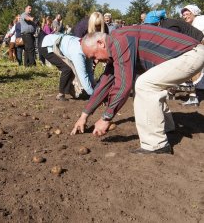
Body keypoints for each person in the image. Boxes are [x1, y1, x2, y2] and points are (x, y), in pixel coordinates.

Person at [71, 26, 204, 155]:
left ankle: (156, 144)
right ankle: (166, 127)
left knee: (143, 84)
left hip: (190, 55)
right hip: (188, 55)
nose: (97, 61)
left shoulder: (118, 41)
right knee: (147, 84)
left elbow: (123, 85)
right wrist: (84, 115)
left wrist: (106, 118)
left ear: (101, 43)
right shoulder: (115, 44)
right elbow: (104, 84)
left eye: (94, 56)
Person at [39, 33, 95, 101]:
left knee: (70, 69)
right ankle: (61, 94)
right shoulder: (77, 53)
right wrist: (94, 96)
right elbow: (83, 76)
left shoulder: (89, 48)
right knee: (66, 69)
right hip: (47, 46)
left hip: (60, 42)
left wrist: (94, 88)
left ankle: (72, 91)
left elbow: (89, 71)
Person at [181, 4, 204, 99]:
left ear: (194, 13)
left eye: (187, 14)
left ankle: (195, 94)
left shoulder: (200, 21)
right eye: (183, 15)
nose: (185, 16)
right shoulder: (192, 24)